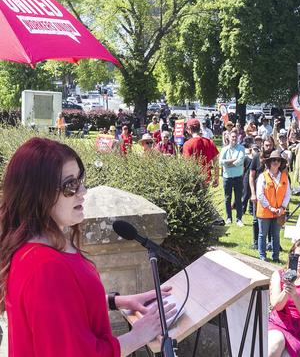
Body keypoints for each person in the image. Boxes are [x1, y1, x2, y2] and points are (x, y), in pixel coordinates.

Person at [0, 137, 176, 356]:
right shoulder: (44, 266)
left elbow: (61, 310)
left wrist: (117, 301)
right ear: (37, 194)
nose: (82, 191)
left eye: (81, 180)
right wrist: (138, 335)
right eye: (70, 185)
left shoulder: (43, 246)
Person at [256, 151, 291, 262]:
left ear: (281, 163)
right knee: (263, 234)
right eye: (274, 160)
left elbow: (288, 194)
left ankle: (276, 257)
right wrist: (270, 207)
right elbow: (259, 194)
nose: (276, 162)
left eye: (278, 160)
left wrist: (282, 207)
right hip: (265, 211)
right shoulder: (263, 176)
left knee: (276, 235)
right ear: (270, 162)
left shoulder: (285, 177)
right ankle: (262, 255)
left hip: (279, 212)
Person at [249, 138, 275, 249]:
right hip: (259, 193)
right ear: (263, 145)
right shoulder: (256, 157)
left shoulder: (276, 158)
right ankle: (256, 242)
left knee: (271, 219)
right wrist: (253, 193)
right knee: (256, 219)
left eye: (270, 145)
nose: (268, 148)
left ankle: (271, 242)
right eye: (266, 145)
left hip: (272, 193)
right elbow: (251, 176)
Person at [220, 129, 246, 226]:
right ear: (229, 138)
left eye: (235, 137)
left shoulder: (241, 148)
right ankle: (228, 218)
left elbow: (240, 160)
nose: (234, 138)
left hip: (238, 177)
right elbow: (221, 162)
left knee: (238, 199)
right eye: (232, 137)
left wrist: (228, 163)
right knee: (227, 198)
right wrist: (232, 161)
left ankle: (239, 219)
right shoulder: (224, 149)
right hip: (227, 178)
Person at [182, 118, 220, 185]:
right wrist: (216, 178)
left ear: (189, 129)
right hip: (206, 178)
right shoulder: (209, 142)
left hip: (193, 180)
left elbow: (186, 164)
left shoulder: (187, 144)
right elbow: (216, 161)